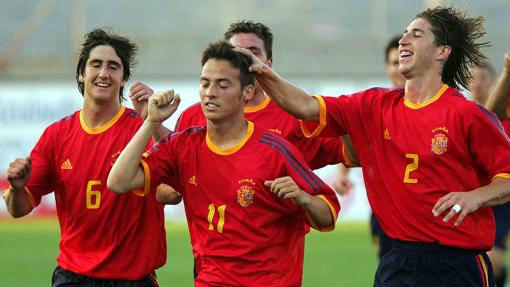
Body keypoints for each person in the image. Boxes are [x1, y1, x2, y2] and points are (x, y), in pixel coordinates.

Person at [241, 6, 510, 286]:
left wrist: (475, 197)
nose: (404, 40)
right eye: (404, 33)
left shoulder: (467, 115)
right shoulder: (373, 105)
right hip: (398, 261)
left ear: (442, 51)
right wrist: (262, 72)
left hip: (457, 264)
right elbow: (306, 106)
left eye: (416, 35)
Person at [107, 41, 340, 287]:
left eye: (222, 84)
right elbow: (118, 181)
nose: (210, 92)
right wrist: (151, 122)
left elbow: (328, 215)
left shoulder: (275, 151)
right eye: (205, 83)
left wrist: (303, 198)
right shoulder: (183, 146)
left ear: (247, 92)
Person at [4, 28, 166, 286]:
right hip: (73, 277)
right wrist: (16, 188)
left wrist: (154, 123)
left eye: (113, 67)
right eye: (96, 65)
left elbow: (173, 190)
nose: (104, 73)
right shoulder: (57, 135)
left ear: (123, 78)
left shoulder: (142, 130)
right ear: (82, 73)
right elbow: (19, 208)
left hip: (133, 279)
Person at [335, 35, 405, 260]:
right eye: (394, 62)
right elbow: (351, 134)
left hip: (426, 210)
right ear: (387, 67)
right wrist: (342, 174)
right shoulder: (376, 106)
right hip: (386, 212)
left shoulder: (436, 106)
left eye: (404, 59)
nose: (400, 68)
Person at [484, 52, 510, 287]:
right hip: (502, 189)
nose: (477, 82)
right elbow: (490, 115)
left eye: (483, 78)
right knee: (494, 262)